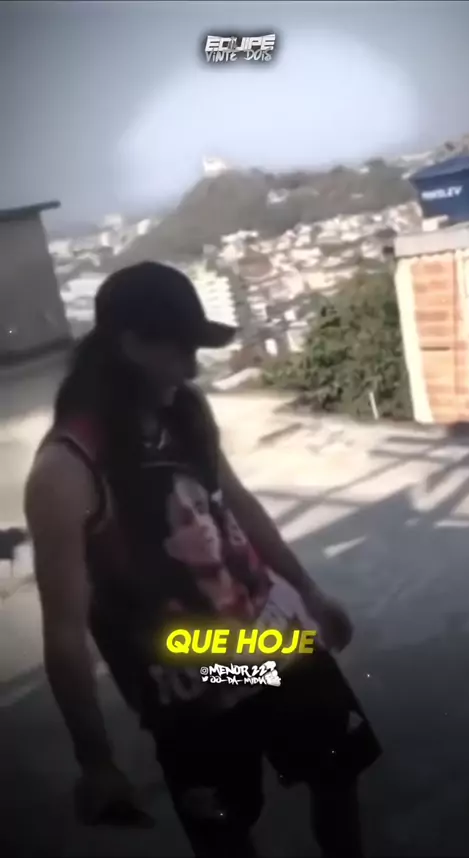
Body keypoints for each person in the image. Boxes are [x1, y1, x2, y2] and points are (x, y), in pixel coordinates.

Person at [25, 262, 381, 857]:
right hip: (190, 675)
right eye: (179, 350)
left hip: (271, 637)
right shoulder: (67, 471)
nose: (191, 369)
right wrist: (97, 761)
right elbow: (64, 633)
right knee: (226, 832)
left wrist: (309, 592)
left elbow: (238, 505)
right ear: (130, 344)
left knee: (337, 772)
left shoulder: (183, 412)